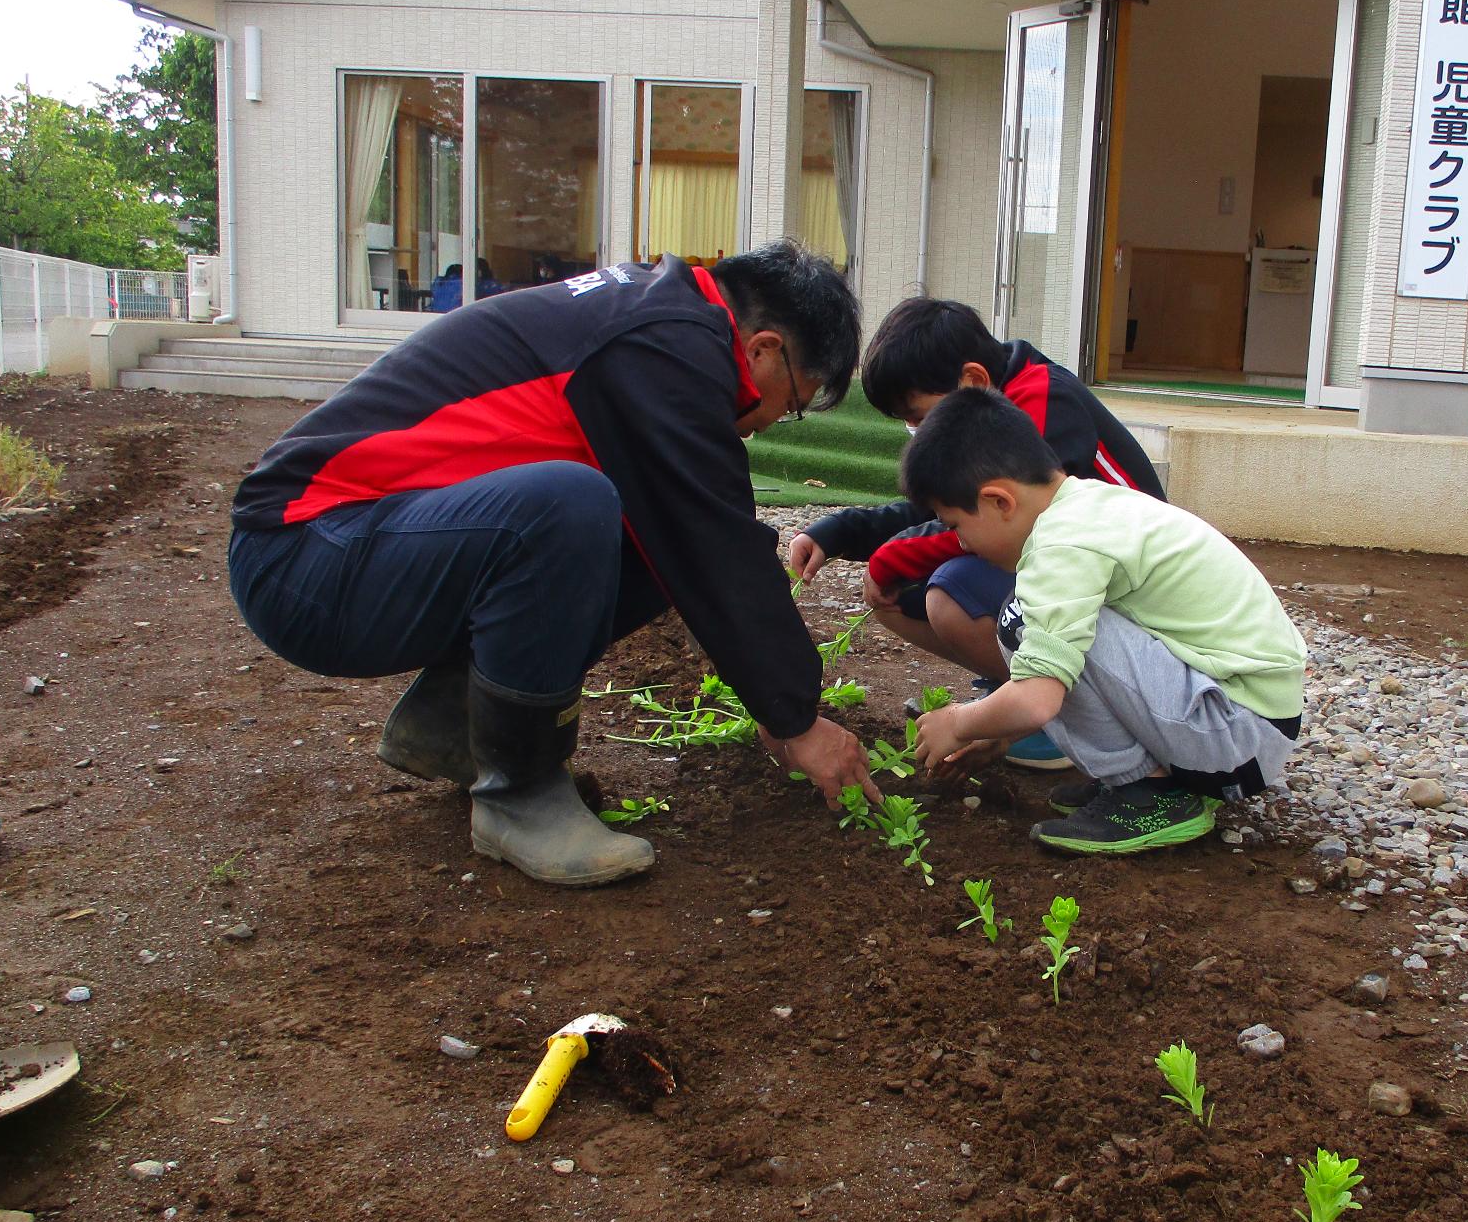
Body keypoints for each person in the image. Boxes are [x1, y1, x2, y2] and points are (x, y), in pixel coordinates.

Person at [228, 241, 880, 887]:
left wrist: (782, 706)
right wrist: (795, 721)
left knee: (647, 532)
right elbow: (718, 544)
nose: (770, 422)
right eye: (791, 402)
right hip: (304, 556)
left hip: (358, 543)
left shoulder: (662, 324)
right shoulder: (665, 344)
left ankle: (455, 725)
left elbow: (706, 535)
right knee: (572, 506)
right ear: (764, 349)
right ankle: (520, 798)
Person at [905, 389, 1306, 856]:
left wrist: (959, 722)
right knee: (1049, 624)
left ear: (999, 501)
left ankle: (1148, 791)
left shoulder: (1062, 547)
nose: (962, 544)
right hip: (1249, 722)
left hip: (1237, 739)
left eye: (955, 525)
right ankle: (1141, 777)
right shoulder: (1088, 505)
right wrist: (999, 735)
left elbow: (1037, 700)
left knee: (1021, 620)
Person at [784, 297, 1163, 771]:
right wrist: (840, 533)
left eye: (919, 416)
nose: (917, 431)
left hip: (1129, 597)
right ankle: (1018, 696)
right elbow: (944, 510)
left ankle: (1060, 718)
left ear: (972, 381)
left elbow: (1006, 526)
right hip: (1075, 571)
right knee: (908, 592)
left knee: (951, 591)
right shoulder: (997, 402)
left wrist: (890, 559)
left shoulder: (1043, 404)